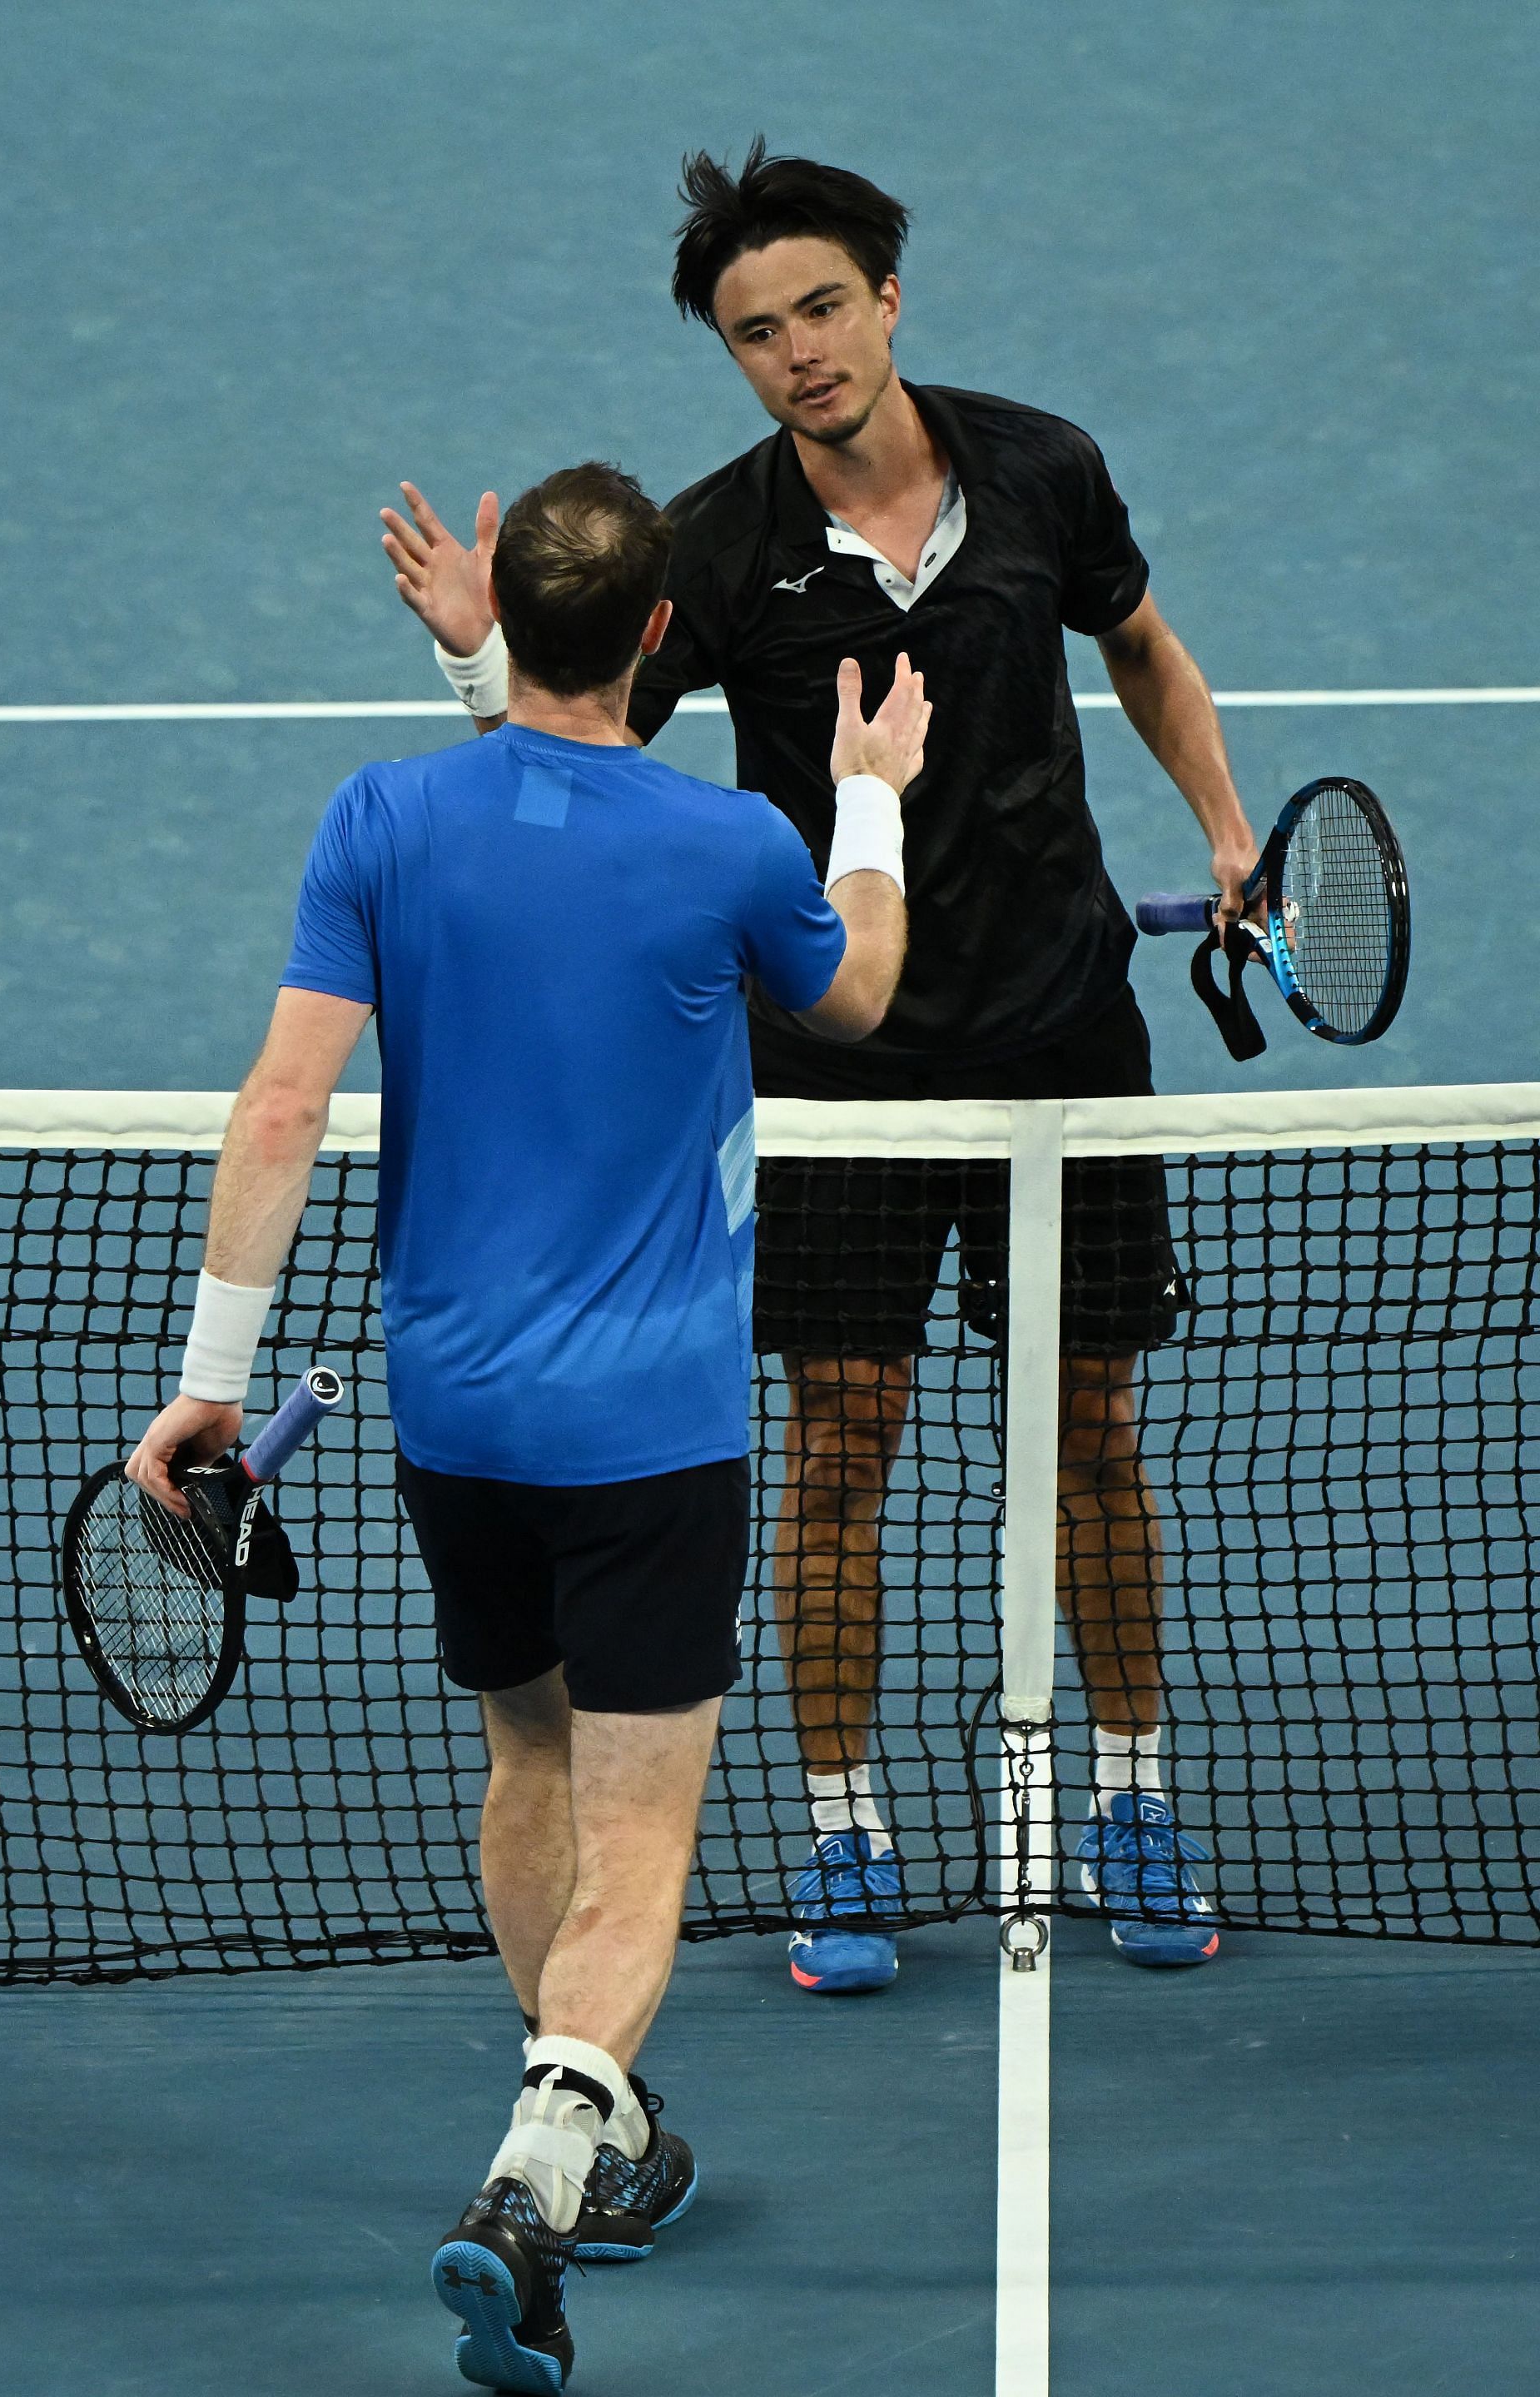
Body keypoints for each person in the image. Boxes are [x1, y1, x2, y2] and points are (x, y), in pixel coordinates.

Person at [384, 143, 1251, 1988]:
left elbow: (1146, 650)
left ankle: (1131, 1789)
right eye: (755, 333)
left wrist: (1230, 829)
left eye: (822, 310)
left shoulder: (1041, 469)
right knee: (838, 1451)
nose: (797, 354)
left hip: (1068, 1049)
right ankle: (843, 1826)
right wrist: (480, 669)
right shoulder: (711, 549)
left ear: (890, 298)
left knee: (1095, 1438)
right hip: (841, 1068)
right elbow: (580, 760)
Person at [126, 461, 926, 2392]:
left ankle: (594, 2127)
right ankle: (532, 2170)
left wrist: (215, 1374)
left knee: (528, 1757)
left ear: (526, 625)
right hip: (649, 1432)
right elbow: (864, 990)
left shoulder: (383, 821)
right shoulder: (731, 845)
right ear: (664, 635)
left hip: (455, 1416)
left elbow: (280, 1108)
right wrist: (876, 785)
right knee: (642, 1843)